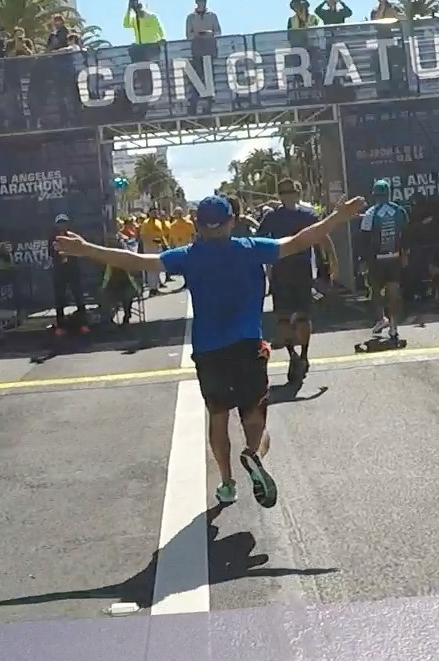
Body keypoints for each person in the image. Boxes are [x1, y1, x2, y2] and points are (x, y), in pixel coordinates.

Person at [53, 194, 367, 507]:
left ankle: (227, 483)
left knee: (218, 417)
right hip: (247, 345)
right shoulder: (250, 249)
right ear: (232, 221)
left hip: (208, 350)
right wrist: (338, 217)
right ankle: (254, 455)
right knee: (254, 416)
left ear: (198, 226)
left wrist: (86, 249)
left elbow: (136, 261)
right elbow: (301, 240)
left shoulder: (188, 255)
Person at [258, 180, 335, 384]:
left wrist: (266, 270)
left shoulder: (271, 217)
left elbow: (262, 244)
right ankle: (303, 355)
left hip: (281, 270)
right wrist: (333, 262)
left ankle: (293, 354)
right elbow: (323, 238)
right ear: (298, 193)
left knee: (283, 317)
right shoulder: (307, 215)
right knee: (302, 315)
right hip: (301, 272)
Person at [359, 180, 410, 345]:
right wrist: (405, 254)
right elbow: (406, 234)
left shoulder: (370, 213)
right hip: (394, 256)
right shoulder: (399, 211)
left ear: (375, 195)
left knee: (376, 290)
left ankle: (381, 318)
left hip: (377, 260)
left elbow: (364, 240)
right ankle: (393, 325)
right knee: (394, 290)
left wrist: (363, 260)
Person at [48, 213, 87, 333]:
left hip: (73, 270)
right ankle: (60, 326)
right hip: (59, 271)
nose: (62, 225)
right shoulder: (52, 237)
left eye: (64, 222)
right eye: (60, 223)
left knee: (78, 296)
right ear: (56, 225)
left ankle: (83, 324)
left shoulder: (72, 235)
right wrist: (56, 249)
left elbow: (80, 249)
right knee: (59, 298)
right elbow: (50, 253)